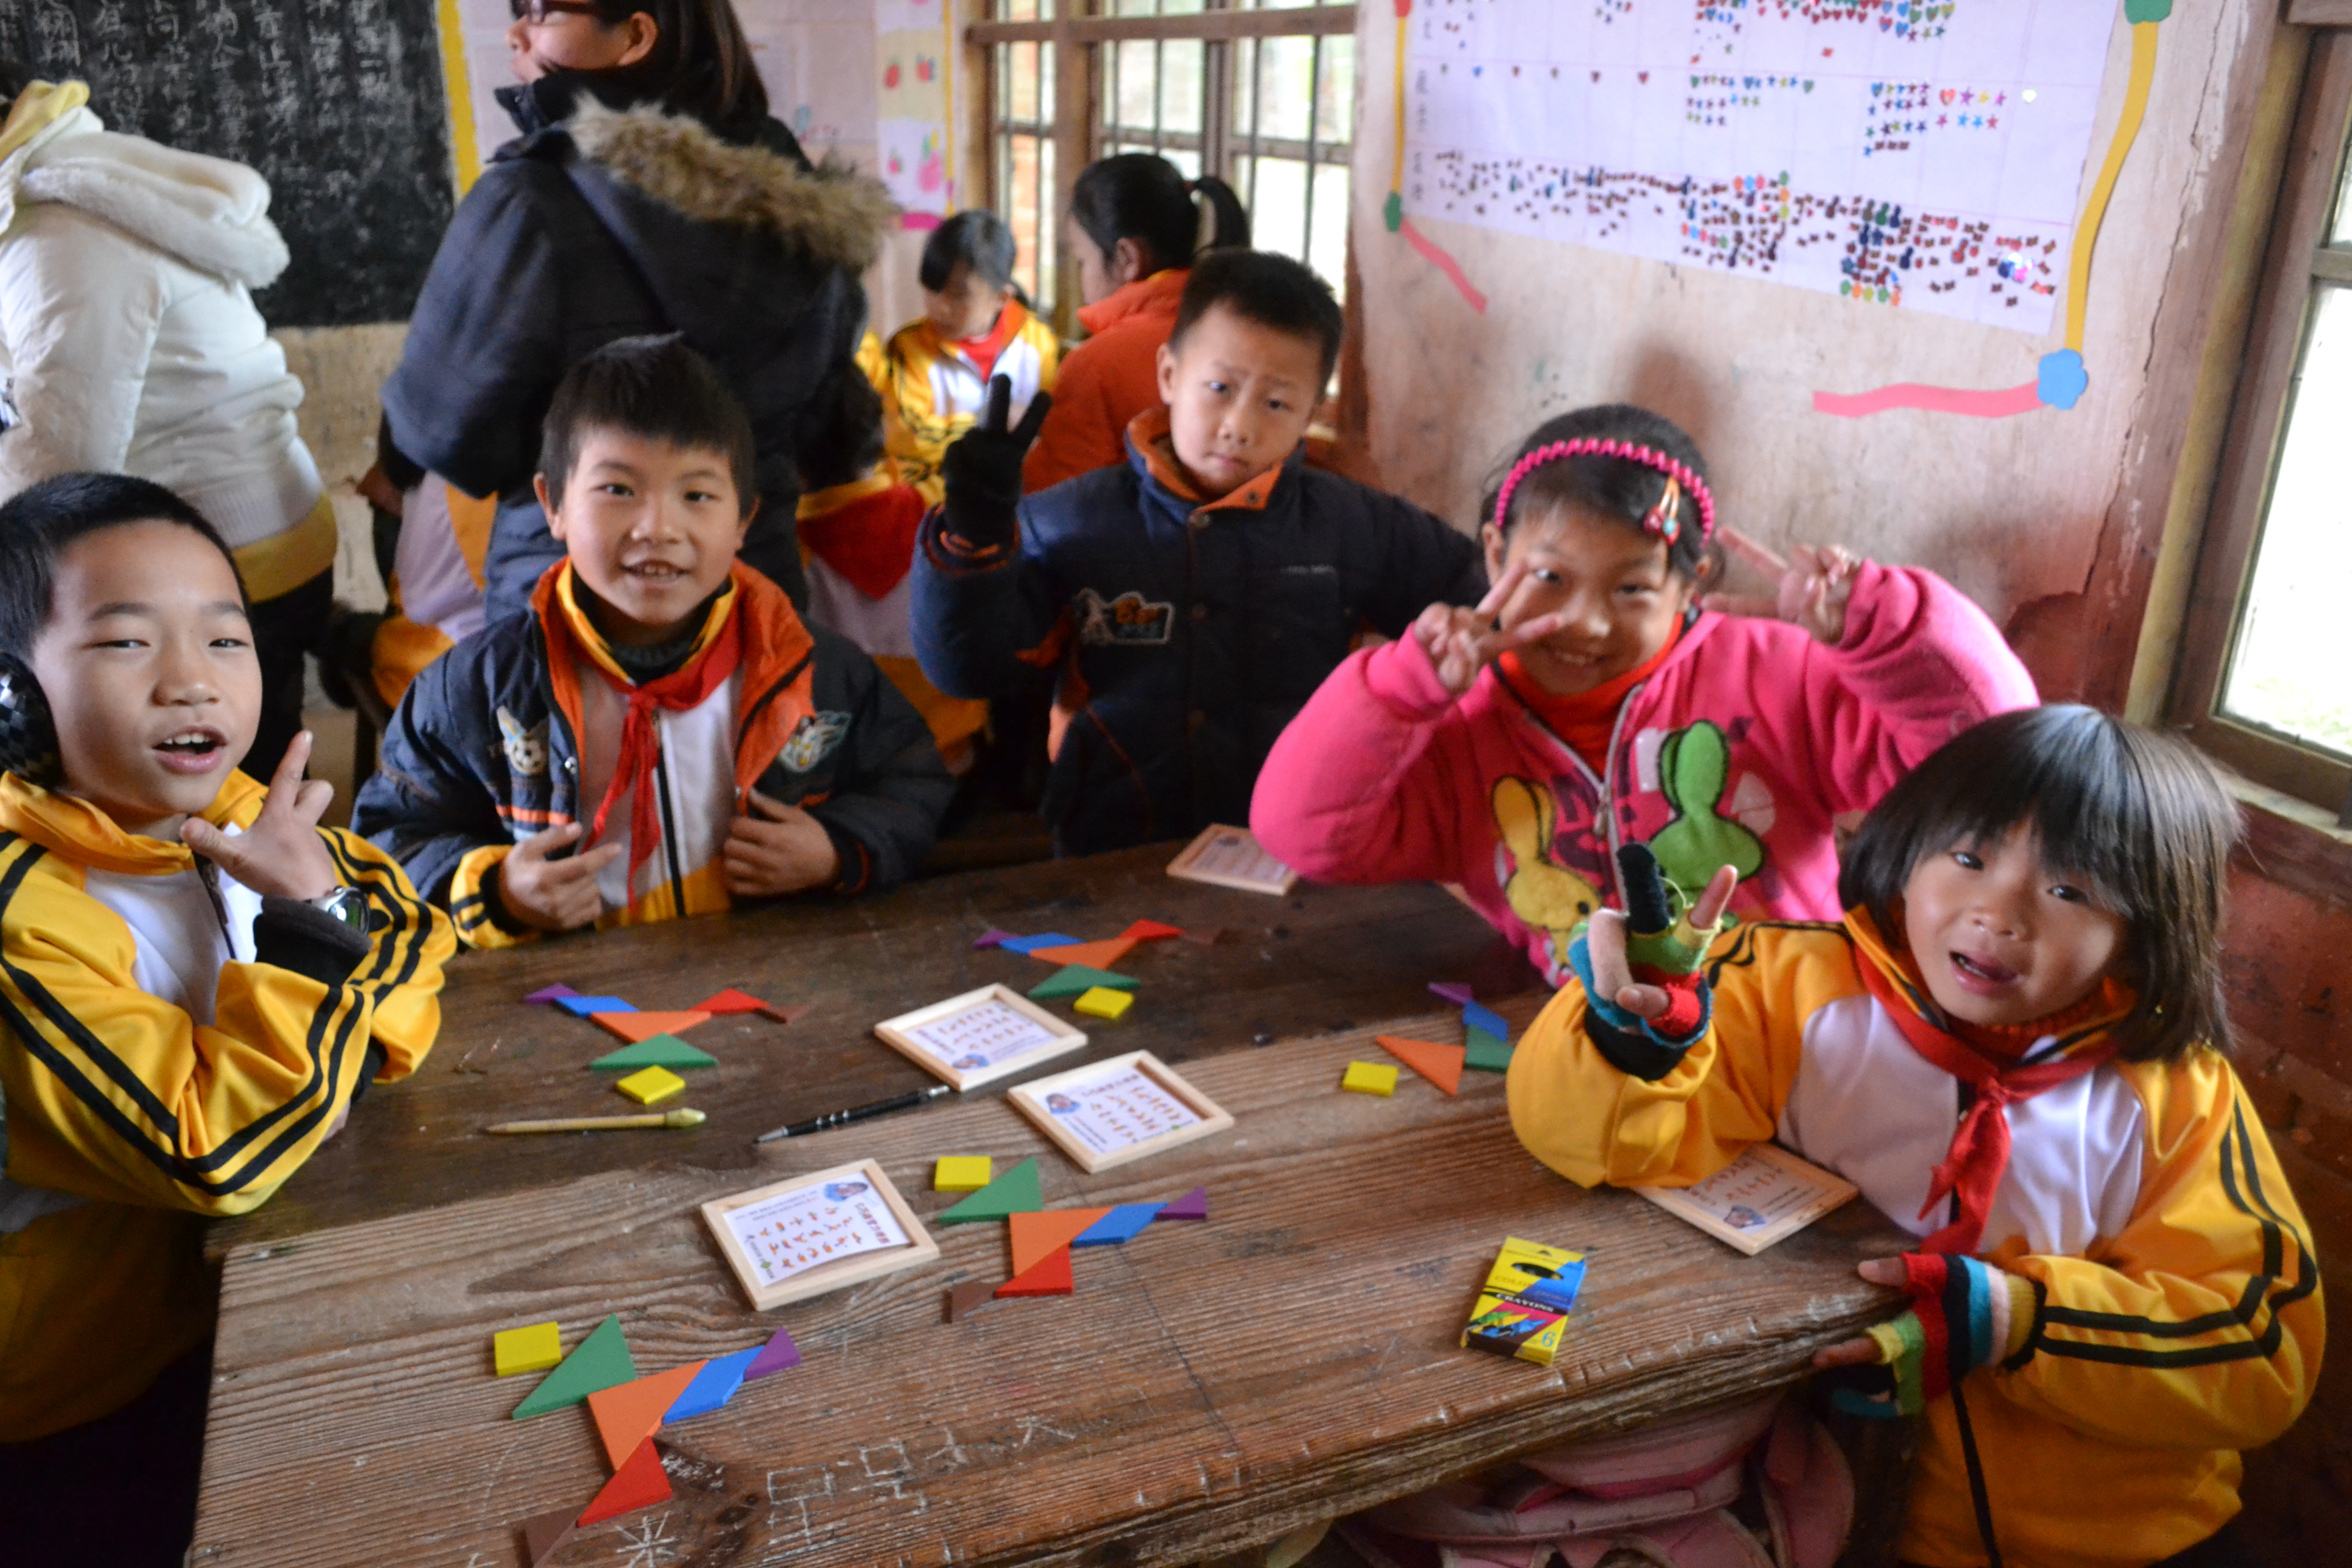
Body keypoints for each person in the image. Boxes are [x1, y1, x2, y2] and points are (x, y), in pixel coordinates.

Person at [1510, 706, 2320, 1568]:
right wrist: (1631, 1045)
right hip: (1848, 1518)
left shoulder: (2174, 1089)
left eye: (2068, 890)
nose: (1997, 913)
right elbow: (1585, 1140)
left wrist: (2018, 1320)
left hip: (2127, 1538)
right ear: (1905, 852)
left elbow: (2259, 1344)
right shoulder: (1788, 986)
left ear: (2145, 928)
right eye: (1967, 857)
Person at [0, 473, 452, 1566]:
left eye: (227, 640)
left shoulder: (233, 811)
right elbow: (221, 1150)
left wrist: (323, 1024)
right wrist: (309, 945)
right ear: (10, 700)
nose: (190, 684)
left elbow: (415, 938)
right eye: (125, 645)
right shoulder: (26, 909)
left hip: (232, 1320)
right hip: (68, 1399)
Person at [1248, 404, 2036, 989]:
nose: (1584, 622)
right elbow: (1302, 832)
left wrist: (1888, 629)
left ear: (1692, 582)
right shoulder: (1457, 719)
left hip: (1794, 1039)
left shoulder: (1782, 672)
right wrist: (1395, 691)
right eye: (1549, 576)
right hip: (1582, 1045)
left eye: (1631, 588)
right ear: (1494, 553)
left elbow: (2000, 762)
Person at [355, 336, 952, 947]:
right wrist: (497, 890)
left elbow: (913, 784)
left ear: (744, 520)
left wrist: (832, 850)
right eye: (618, 490)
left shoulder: (810, 669)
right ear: (553, 505)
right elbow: (389, 839)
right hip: (562, 1003)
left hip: (765, 991)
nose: (657, 528)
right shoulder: (474, 690)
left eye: (696, 495)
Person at [912, 250, 1484, 856]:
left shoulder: (1355, 522)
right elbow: (969, 670)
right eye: (1220, 388)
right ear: (1168, 375)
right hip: (1110, 847)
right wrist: (972, 537)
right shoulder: (1072, 520)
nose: (1238, 425)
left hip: (1291, 852)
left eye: (1276, 403)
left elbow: (1474, 595)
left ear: (1310, 415)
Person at [379, 0, 894, 621]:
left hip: (576, 612)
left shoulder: (529, 205)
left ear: (635, 36)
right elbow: (830, 427)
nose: (515, 33)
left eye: (540, 13)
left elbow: (445, 433)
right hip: (753, 607)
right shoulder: (807, 217)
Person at [0, 75, 338, 781]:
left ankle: (259, 883)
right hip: (258, 536)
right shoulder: (68, 180)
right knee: (248, 761)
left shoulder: (62, 235)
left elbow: (58, 462)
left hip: (234, 563)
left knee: (233, 786)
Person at [1020, 153, 1249, 493]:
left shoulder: (1098, 364)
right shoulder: (1243, 330)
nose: (1081, 277)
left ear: (1128, 258)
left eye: (1083, 261)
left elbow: (1056, 509)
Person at [876, 209, 1061, 505]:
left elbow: (1052, 430)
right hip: (934, 505)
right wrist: (997, 431)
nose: (940, 307)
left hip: (1020, 500)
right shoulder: (908, 348)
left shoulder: (1039, 345)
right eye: (933, 290)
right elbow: (911, 438)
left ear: (1001, 298)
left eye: (958, 295)